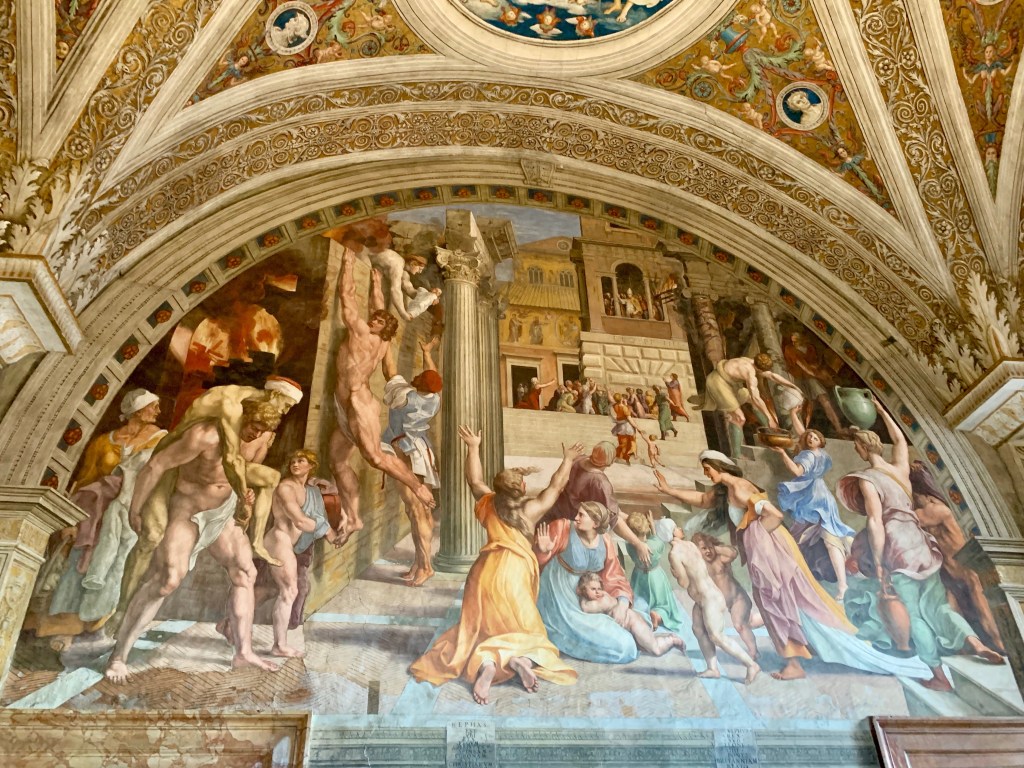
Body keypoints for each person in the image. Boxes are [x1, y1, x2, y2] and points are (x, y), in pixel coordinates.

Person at [653, 451, 933, 681]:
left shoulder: (738, 487)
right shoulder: (727, 489)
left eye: (707, 469)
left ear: (718, 466)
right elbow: (703, 500)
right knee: (779, 599)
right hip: (766, 545)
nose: (706, 474)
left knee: (776, 599)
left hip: (768, 548)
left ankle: (794, 663)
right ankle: (800, 652)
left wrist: (756, 541)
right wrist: (668, 490)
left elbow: (773, 515)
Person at [105, 398, 285, 683]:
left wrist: (246, 499)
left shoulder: (259, 439)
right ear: (242, 416)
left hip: (222, 513)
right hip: (187, 510)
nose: (256, 434)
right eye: (254, 426)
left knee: (245, 572)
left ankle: (243, 652)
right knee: (167, 580)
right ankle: (119, 656)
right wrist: (135, 508)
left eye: (263, 430)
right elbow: (156, 466)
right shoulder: (205, 436)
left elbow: (241, 475)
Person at [836, 400, 1004, 691]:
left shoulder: (868, 480)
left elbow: (875, 522)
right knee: (939, 606)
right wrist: (881, 409)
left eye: (858, 447)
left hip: (897, 547)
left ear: (861, 449)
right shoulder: (899, 470)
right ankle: (974, 642)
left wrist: (879, 562)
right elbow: (900, 439)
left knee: (914, 616)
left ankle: (939, 677)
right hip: (920, 544)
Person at [409, 428, 582, 704]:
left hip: (484, 574)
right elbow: (556, 486)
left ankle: (488, 664)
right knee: (529, 633)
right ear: (521, 488)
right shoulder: (530, 510)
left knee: (480, 630)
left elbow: (474, 479)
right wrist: (568, 459)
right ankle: (517, 660)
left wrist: (473, 447)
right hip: (514, 574)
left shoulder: (488, 503)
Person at [114, 379, 300, 629]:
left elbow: (243, 470)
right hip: (176, 475)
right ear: (274, 394)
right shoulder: (228, 408)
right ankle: (121, 609)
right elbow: (231, 460)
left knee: (270, 480)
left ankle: (255, 541)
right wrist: (135, 508)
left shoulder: (261, 429)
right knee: (151, 538)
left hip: (213, 500)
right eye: (286, 404)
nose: (285, 411)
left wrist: (244, 508)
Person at [34, 389, 167, 646]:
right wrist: (71, 520)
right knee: (77, 564)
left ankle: (98, 621)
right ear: (137, 409)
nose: (157, 411)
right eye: (153, 406)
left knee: (116, 564)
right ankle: (67, 623)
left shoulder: (161, 439)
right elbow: (85, 480)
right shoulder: (103, 442)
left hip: (130, 510)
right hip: (93, 511)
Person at [329, 239, 436, 543]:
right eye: (374, 318)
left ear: (380, 327)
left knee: (375, 457)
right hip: (343, 403)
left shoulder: (361, 333)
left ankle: (417, 486)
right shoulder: (382, 338)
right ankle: (353, 517)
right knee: (337, 461)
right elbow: (378, 307)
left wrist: (348, 262)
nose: (372, 319)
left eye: (377, 321)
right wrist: (376, 284)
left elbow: (347, 297)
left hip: (359, 402)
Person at [909, 462, 1004, 654]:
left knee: (984, 613)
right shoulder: (923, 508)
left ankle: (1001, 645)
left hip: (966, 569)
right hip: (948, 571)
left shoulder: (937, 509)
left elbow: (905, 518)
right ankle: (968, 646)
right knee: (952, 610)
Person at [535, 501, 645, 663]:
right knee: (624, 645)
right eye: (577, 513)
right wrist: (542, 551)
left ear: (595, 523)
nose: (576, 518)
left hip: (591, 591)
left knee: (639, 612)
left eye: (581, 515)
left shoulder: (605, 540)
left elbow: (614, 574)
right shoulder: (562, 527)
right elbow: (535, 563)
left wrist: (622, 604)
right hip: (561, 597)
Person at [255, 449, 337, 659]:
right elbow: (300, 521)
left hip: (291, 545)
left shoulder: (310, 489)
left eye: (301, 461)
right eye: (293, 461)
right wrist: (327, 529)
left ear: (311, 465)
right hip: (279, 540)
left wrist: (328, 487)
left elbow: (324, 505)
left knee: (268, 590)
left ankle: (229, 623)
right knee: (289, 591)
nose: (295, 464)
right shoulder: (286, 488)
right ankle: (279, 646)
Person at [380, 336, 443, 586]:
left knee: (416, 510)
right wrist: (427, 353)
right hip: (422, 450)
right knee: (420, 511)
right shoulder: (434, 399)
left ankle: (426, 566)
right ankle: (419, 563)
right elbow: (433, 376)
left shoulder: (404, 397)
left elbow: (389, 371)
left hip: (405, 452)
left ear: (418, 382)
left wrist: (386, 343)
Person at [668, 528, 761, 684]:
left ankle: (751, 665)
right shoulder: (690, 546)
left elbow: (683, 582)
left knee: (717, 636)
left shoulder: (675, 553)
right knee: (698, 629)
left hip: (709, 599)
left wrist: (676, 573)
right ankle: (712, 668)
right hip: (703, 600)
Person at [772, 429, 856, 601]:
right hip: (822, 496)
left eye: (815, 437)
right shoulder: (823, 455)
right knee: (828, 538)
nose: (811, 438)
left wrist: (782, 453)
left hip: (812, 499)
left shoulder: (808, 455)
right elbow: (803, 431)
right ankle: (839, 583)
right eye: (809, 436)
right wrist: (795, 417)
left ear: (820, 441)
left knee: (809, 540)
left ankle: (841, 584)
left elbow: (797, 472)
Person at [577, 573, 685, 657]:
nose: (597, 592)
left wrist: (581, 596)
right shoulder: (599, 597)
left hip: (633, 622)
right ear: (584, 589)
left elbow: (585, 608)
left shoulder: (601, 600)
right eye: (593, 589)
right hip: (628, 626)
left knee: (655, 650)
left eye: (599, 589)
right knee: (644, 648)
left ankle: (672, 640)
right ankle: (667, 638)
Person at [690, 531, 760, 660]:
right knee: (697, 627)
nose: (708, 551)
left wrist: (713, 547)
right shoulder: (697, 564)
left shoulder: (720, 558)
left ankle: (754, 652)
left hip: (736, 599)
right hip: (714, 602)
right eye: (704, 548)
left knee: (740, 624)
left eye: (710, 547)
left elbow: (733, 553)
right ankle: (711, 661)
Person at [623, 511, 686, 633]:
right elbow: (656, 539)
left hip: (638, 575)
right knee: (662, 601)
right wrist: (653, 525)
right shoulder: (656, 544)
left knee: (640, 597)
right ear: (646, 528)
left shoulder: (629, 545)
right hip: (655, 576)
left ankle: (643, 614)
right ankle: (658, 615)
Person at [688, 356, 778, 430]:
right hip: (719, 384)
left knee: (750, 399)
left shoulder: (749, 361)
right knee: (740, 418)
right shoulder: (750, 374)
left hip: (731, 386)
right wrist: (770, 418)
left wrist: (788, 384)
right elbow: (756, 398)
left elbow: (772, 376)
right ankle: (736, 448)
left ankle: (769, 430)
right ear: (760, 370)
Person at [782, 331, 844, 434]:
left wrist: (818, 372)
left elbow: (815, 363)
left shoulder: (810, 348)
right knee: (802, 404)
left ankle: (838, 428)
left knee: (825, 400)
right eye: (792, 335)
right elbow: (803, 366)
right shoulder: (789, 349)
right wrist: (820, 376)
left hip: (811, 377)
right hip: (798, 378)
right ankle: (801, 430)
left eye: (796, 335)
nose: (794, 337)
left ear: (802, 337)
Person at [753, 353, 807, 435]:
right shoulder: (751, 372)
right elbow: (756, 395)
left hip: (759, 392)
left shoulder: (760, 369)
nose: (765, 372)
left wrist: (793, 386)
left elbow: (773, 376)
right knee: (756, 405)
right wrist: (770, 418)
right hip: (747, 391)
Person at [611, 393, 639, 465]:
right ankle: (625, 458)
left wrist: (625, 404)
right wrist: (638, 428)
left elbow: (612, 400)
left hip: (620, 427)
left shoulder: (615, 406)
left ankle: (621, 458)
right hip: (627, 427)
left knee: (622, 443)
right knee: (628, 444)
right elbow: (630, 419)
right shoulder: (624, 408)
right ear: (621, 398)